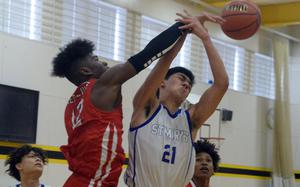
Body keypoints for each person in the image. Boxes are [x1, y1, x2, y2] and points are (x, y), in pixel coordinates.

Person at [51, 20, 188, 187]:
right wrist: (180, 27)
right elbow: (147, 54)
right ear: (86, 70)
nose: (104, 63)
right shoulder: (102, 85)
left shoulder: (72, 105)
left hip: (80, 180)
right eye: (97, 60)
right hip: (94, 182)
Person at [124, 10, 228, 187]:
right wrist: (185, 31)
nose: (187, 84)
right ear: (162, 83)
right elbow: (164, 62)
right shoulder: (146, 107)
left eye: (189, 83)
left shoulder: (191, 120)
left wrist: (205, 38)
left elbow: (222, 84)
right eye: (181, 78)